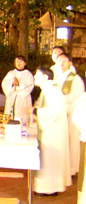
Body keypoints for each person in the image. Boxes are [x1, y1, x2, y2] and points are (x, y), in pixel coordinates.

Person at [29, 67, 71, 195]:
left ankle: (49, 188)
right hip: (49, 130)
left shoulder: (52, 91)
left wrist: (36, 111)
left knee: (50, 159)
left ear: (46, 77)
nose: (34, 77)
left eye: (37, 74)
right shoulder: (47, 90)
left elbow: (54, 110)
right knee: (47, 158)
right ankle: (45, 187)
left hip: (53, 133)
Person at [54, 53, 85, 177]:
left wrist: (63, 99)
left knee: (70, 142)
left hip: (70, 114)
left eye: (64, 60)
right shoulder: (56, 78)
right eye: (59, 60)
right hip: (58, 115)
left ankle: (71, 169)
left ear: (69, 63)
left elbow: (78, 97)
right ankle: (59, 167)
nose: (61, 63)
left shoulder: (75, 79)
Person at [2, 55, 34, 123]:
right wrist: (12, 84)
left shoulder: (28, 75)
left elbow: (30, 87)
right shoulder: (11, 73)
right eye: (17, 61)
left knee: (22, 120)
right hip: (11, 99)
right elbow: (4, 84)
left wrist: (19, 84)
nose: (19, 63)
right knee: (10, 119)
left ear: (25, 63)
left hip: (23, 99)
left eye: (21, 61)